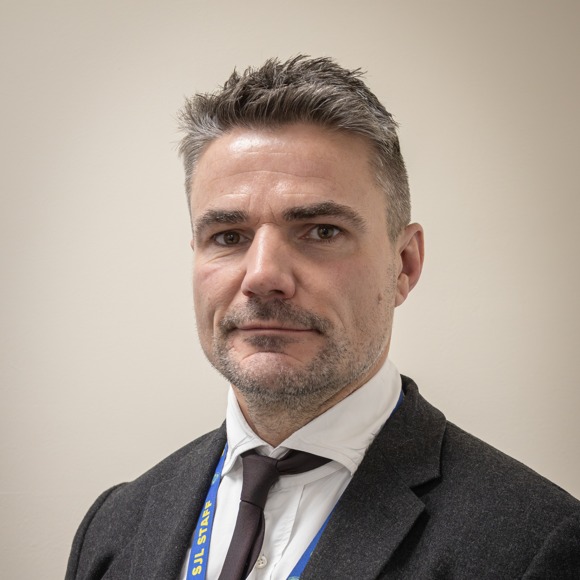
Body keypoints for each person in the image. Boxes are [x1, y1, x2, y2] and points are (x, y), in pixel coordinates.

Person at [66, 56, 580, 580]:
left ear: (404, 265)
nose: (263, 276)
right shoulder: (114, 529)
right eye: (228, 236)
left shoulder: (535, 547)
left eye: (321, 231)